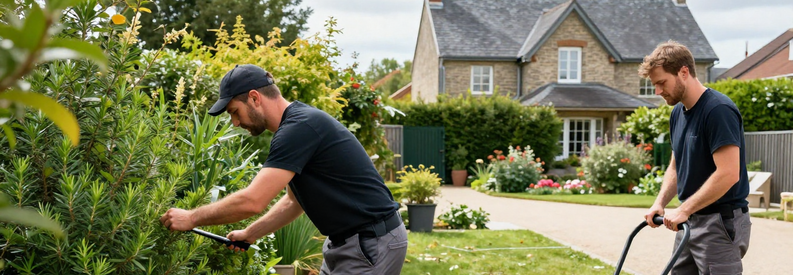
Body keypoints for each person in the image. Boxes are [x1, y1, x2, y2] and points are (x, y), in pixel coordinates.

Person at [159, 64, 408, 274]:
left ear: (255, 98)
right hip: (350, 243)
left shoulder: (298, 128)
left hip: (370, 242)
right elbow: (293, 202)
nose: (235, 122)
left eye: (235, 112)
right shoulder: (297, 125)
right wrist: (251, 233)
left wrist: (191, 217)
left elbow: (252, 201)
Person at [639, 41, 751, 274]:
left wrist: (685, 209)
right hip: (688, 221)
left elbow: (729, 173)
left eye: (661, 83)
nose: (658, 92)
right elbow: (676, 164)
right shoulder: (677, 113)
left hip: (719, 222)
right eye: (654, 85)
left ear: (683, 72)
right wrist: (660, 203)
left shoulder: (718, 110)